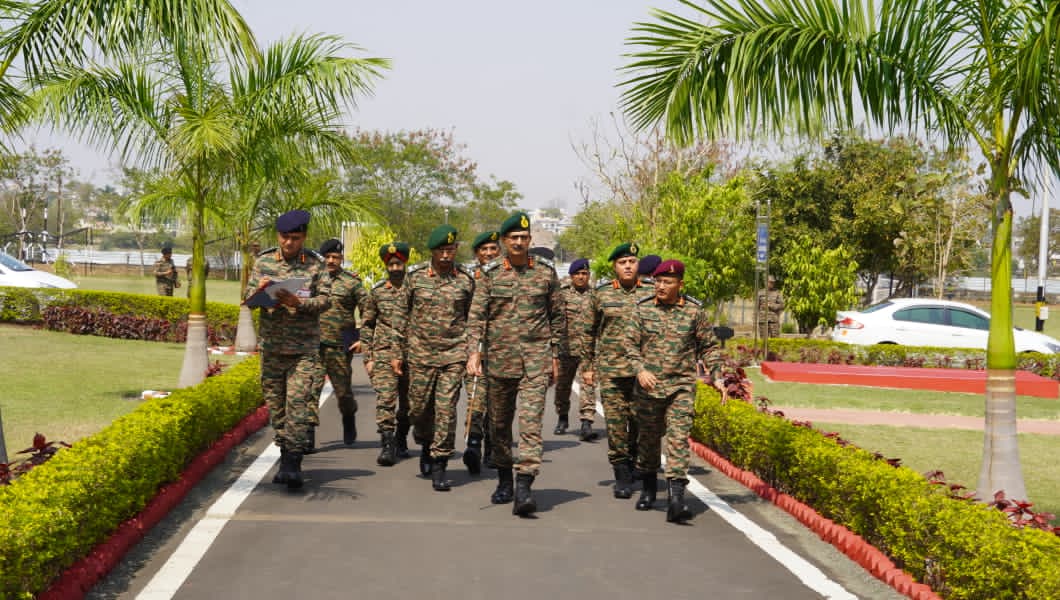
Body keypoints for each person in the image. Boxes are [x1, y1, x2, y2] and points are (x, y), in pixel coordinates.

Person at [466, 211, 566, 516]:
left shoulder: (546, 273)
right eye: (514, 238)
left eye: (524, 237)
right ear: (505, 241)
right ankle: (504, 480)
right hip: (499, 361)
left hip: (536, 360)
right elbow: (476, 316)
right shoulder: (491, 273)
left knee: (531, 424)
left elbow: (558, 317)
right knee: (498, 425)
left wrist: (556, 357)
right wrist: (473, 353)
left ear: (530, 240)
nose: (519, 242)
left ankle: (524, 485)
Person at [627, 259, 723, 523]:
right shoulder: (642, 309)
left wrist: (717, 375)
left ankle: (676, 499)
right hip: (649, 388)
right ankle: (648, 488)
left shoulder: (694, 312)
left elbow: (708, 347)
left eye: (667, 282)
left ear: (680, 284)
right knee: (648, 441)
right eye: (658, 281)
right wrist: (640, 370)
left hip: (681, 387)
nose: (660, 286)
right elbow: (629, 345)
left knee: (678, 439)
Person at [244, 210, 331, 489]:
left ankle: (293, 462)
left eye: (295, 238)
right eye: (284, 237)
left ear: (304, 237)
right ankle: (285, 452)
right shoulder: (263, 261)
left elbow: (326, 300)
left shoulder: (315, 265)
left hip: (303, 350)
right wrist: (260, 293)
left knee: (297, 405)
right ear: (278, 235)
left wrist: (299, 303)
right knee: (276, 407)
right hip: (272, 347)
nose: (289, 243)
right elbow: (247, 298)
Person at [394, 224, 476, 491]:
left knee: (446, 409)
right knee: (418, 409)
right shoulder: (415, 278)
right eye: (441, 250)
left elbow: (473, 318)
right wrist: (397, 352)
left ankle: (440, 462)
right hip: (420, 355)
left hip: (453, 354)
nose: (446, 255)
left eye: (450, 250)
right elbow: (401, 315)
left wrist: (472, 352)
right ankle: (425, 442)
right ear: (432, 251)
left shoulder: (465, 280)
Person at [584, 242, 652, 500]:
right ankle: (621, 472)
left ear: (638, 264)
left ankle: (634, 460)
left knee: (640, 422)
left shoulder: (650, 292)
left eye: (632, 262)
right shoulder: (601, 294)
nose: (628, 266)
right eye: (622, 263)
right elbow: (588, 332)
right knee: (615, 424)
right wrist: (588, 367)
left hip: (643, 372)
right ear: (615, 266)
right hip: (611, 370)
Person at [310, 238, 367, 449]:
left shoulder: (351, 282)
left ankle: (348, 417)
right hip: (314, 345)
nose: (331, 261)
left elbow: (368, 311)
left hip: (340, 346)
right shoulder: (311, 279)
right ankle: (307, 435)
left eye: (336, 257)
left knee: (343, 393)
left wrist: (363, 338)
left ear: (341, 258)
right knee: (310, 390)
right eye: (328, 257)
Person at [362, 242, 412, 466]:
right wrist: (368, 358)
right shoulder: (378, 291)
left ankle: (401, 437)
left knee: (411, 404)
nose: (394, 268)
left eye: (398, 264)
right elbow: (367, 325)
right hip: (384, 353)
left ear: (405, 264)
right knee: (386, 399)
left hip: (413, 354)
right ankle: (387, 444)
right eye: (390, 265)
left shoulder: (416, 289)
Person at [463, 230, 501, 474]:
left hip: (502, 351)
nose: (488, 253)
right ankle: (474, 446)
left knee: (496, 405)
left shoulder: (508, 275)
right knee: (476, 399)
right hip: (474, 350)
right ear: (477, 253)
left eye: (493, 249)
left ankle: (492, 450)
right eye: (484, 249)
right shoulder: (467, 279)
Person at [554, 257, 598, 441]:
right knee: (562, 387)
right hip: (566, 349)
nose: (581, 277)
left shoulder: (596, 295)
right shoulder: (562, 294)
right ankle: (562, 417)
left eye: (584, 273)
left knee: (588, 384)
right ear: (571, 276)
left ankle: (586, 423)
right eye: (578, 274)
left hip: (589, 350)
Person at [757, 275, 785, 339]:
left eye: (773, 282)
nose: (772, 284)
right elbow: (757, 307)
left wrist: (772, 306)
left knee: (775, 339)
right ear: (765, 282)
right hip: (763, 320)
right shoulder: (760, 293)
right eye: (770, 282)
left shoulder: (777, 293)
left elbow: (782, 305)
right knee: (763, 340)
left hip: (774, 320)